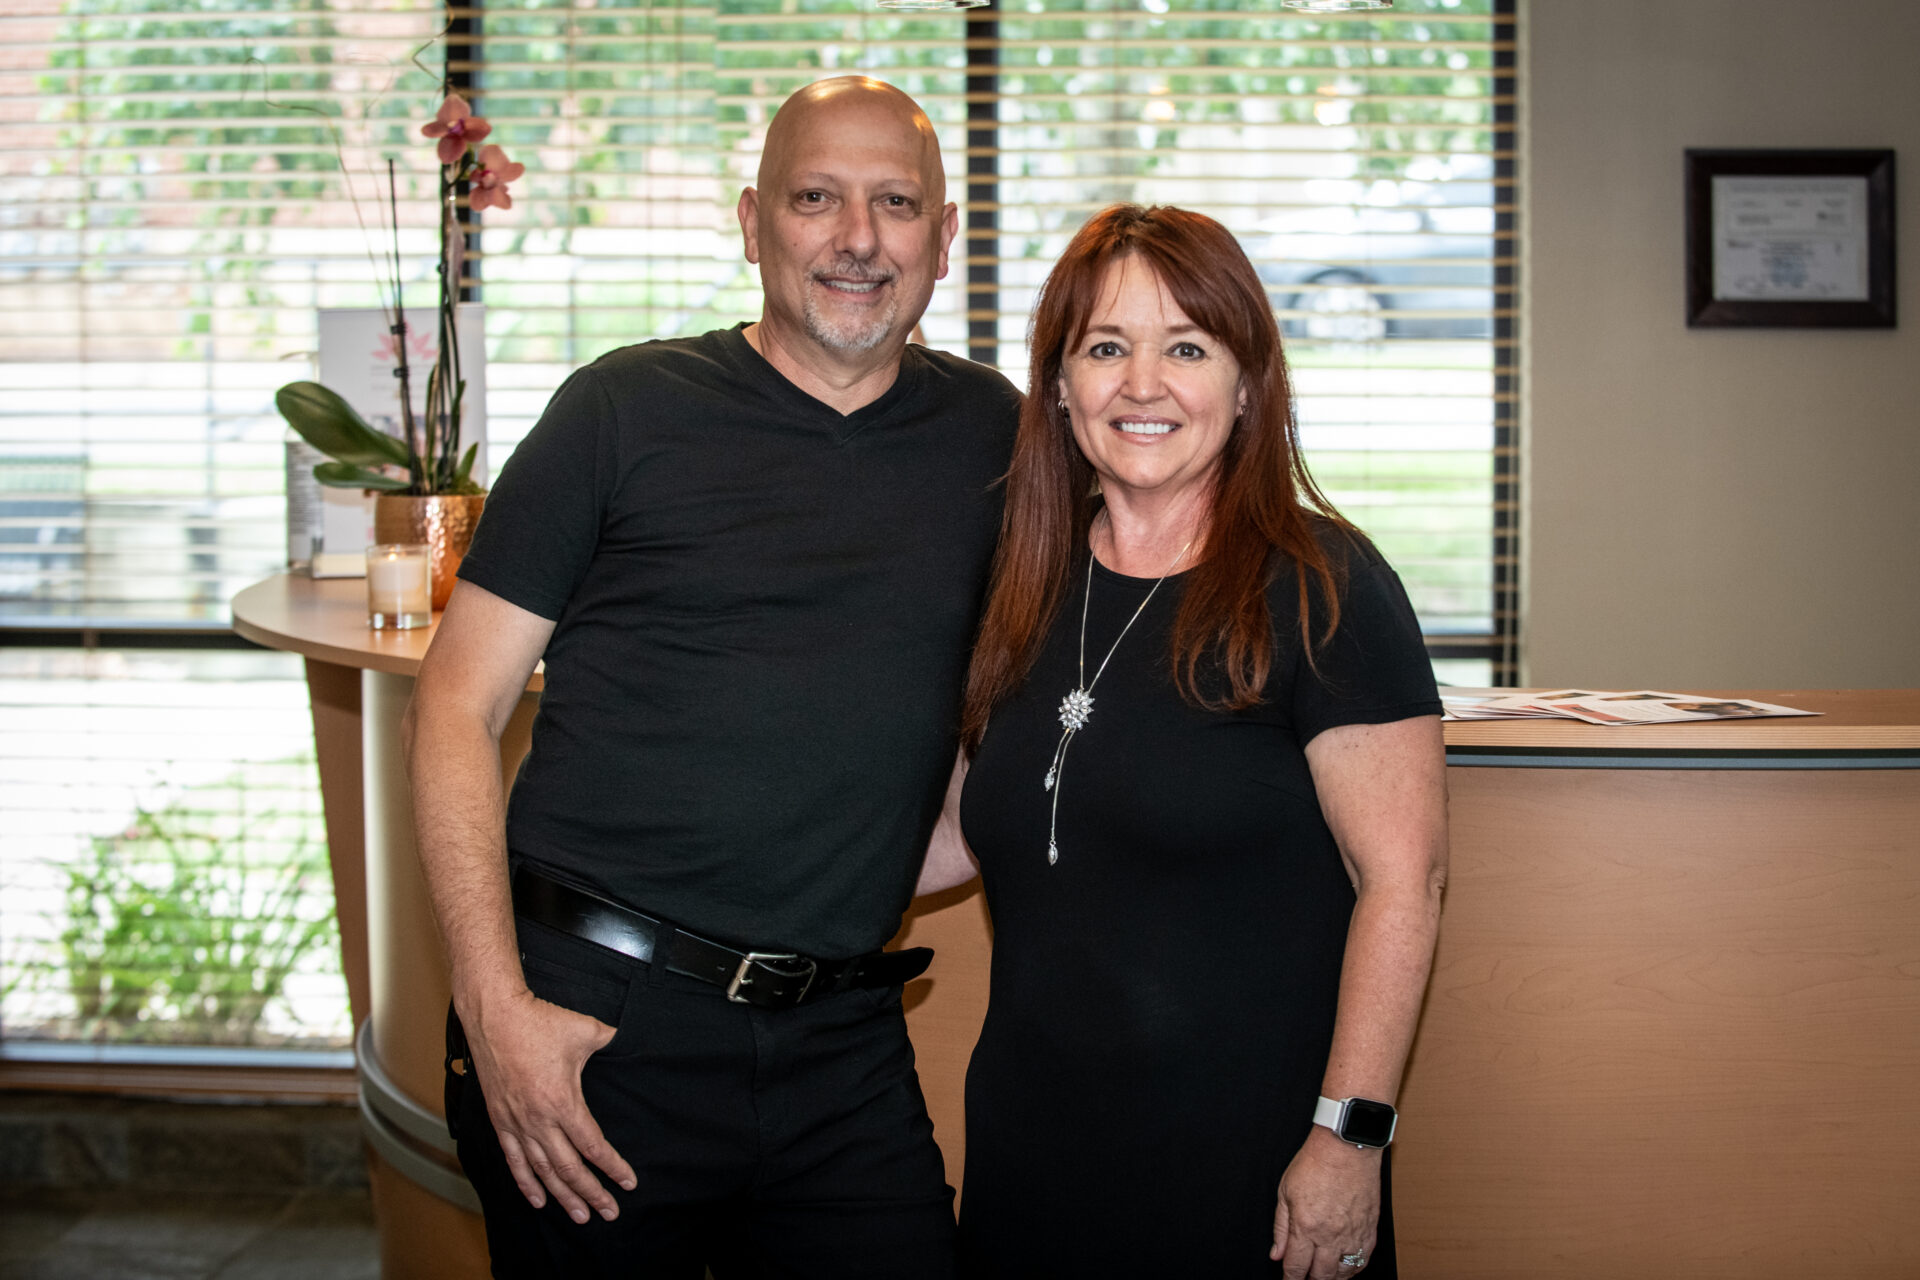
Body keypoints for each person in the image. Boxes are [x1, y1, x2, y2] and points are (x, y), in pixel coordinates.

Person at [402, 76, 1020, 1278]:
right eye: (816, 198)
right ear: (752, 223)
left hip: (844, 1041)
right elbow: (453, 705)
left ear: (945, 238)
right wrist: (494, 1007)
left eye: (896, 202)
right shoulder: (620, 413)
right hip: (592, 1025)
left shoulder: (997, 441)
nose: (857, 238)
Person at [920, 204, 1448, 1279]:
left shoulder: (1323, 585)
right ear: (1060, 385)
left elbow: (1406, 878)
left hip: (1251, 1173)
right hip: (1035, 1156)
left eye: (1187, 348)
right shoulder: (1023, 584)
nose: (1142, 383)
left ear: (1248, 383)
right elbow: (958, 834)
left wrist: (1350, 1137)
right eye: (1106, 347)